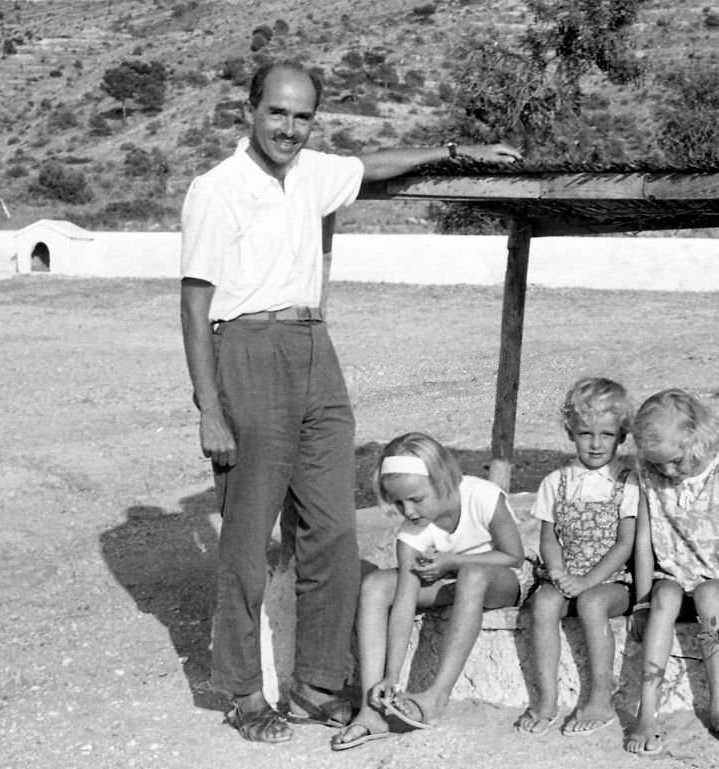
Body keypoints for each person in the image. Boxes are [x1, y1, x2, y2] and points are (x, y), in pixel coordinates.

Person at [179, 61, 522, 743]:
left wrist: (454, 151)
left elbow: (377, 164)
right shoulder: (216, 190)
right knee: (247, 542)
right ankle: (245, 691)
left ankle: (316, 681)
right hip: (246, 348)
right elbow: (193, 306)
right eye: (277, 112)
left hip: (315, 348)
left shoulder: (311, 173)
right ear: (249, 110)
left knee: (332, 530)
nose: (289, 127)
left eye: (302, 116)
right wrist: (210, 407)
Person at [329, 432, 528, 750]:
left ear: (443, 479)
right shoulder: (412, 532)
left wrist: (453, 560)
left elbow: (513, 555)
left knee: (472, 574)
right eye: (399, 502)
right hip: (454, 586)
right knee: (376, 585)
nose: (408, 511)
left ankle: (436, 695)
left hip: (504, 580)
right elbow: (405, 601)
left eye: (416, 499)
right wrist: (391, 675)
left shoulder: (483, 496)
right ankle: (371, 708)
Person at [626, 389, 719, 756]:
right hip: (672, 575)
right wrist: (641, 602)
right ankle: (647, 712)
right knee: (665, 595)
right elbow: (642, 543)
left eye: (673, 461)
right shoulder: (648, 475)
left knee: (709, 595)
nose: (667, 471)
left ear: (695, 438)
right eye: (659, 464)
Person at [514, 377, 638, 738]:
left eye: (606, 434)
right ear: (571, 432)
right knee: (543, 605)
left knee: (592, 604)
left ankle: (600, 697)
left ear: (622, 435)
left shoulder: (628, 482)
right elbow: (549, 536)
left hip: (612, 580)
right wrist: (556, 570)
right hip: (567, 574)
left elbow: (624, 545)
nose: (596, 443)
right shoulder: (557, 481)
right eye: (586, 433)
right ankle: (546, 699)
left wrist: (587, 581)